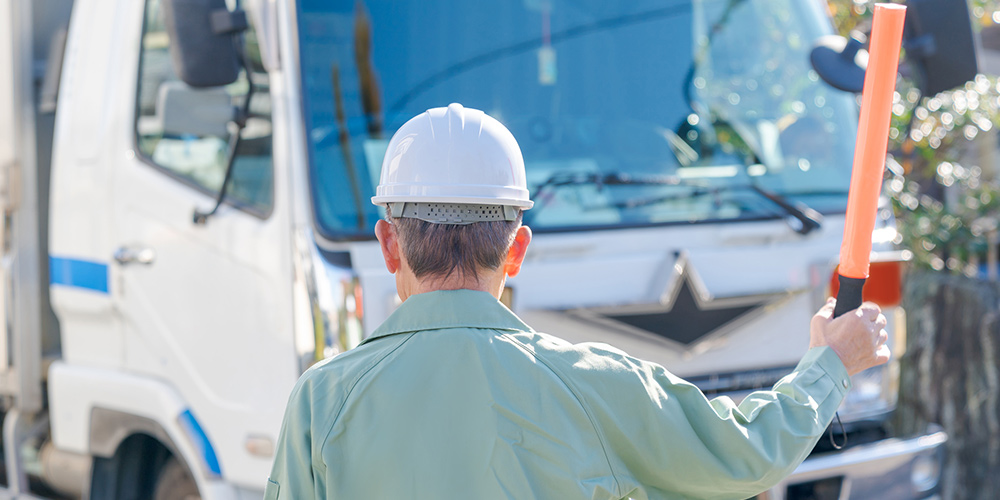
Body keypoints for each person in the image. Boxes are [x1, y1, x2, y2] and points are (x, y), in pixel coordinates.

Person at [265, 103, 890, 499]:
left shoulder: (321, 404)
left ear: (386, 243)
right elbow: (747, 456)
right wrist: (829, 363)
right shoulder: (594, 385)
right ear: (518, 250)